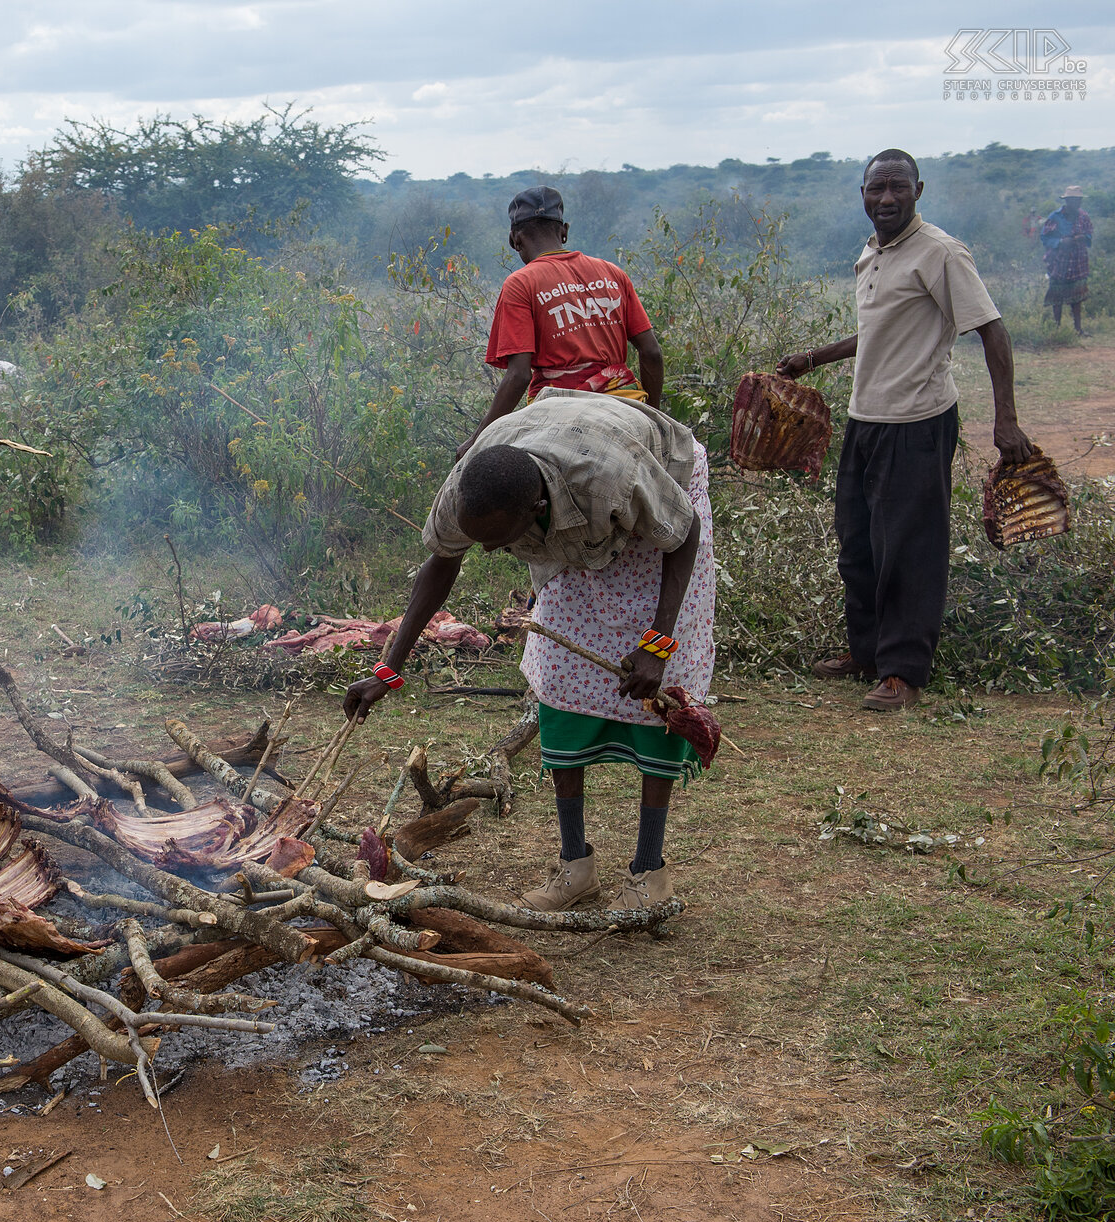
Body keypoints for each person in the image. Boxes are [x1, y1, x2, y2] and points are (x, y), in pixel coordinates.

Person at [344, 390, 714, 912]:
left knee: (657, 704)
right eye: (482, 541)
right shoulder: (469, 490)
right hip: (568, 509)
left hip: (655, 495)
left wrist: (657, 644)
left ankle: (649, 869)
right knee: (559, 682)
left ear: (537, 509)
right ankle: (575, 865)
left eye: (499, 540)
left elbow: (683, 533)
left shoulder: (612, 478)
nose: (492, 552)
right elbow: (441, 566)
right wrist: (388, 669)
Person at [778, 148, 1034, 711]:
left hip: (917, 422)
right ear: (862, 195)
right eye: (876, 189)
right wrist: (814, 357)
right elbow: (877, 332)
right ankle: (867, 654)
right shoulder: (872, 252)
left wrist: (1006, 419)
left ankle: (903, 672)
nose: (887, 198)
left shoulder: (940, 253)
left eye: (897, 188)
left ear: (919, 189)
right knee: (858, 545)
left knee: (910, 551)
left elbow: (993, 332)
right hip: (865, 419)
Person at [456, 186, 663, 459]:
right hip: (627, 406)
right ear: (564, 230)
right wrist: (654, 417)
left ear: (515, 240)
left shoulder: (521, 284)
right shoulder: (613, 273)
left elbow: (518, 375)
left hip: (556, 415)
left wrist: (475, 439)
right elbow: (651, 353)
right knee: (691, 472)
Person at [1041, 187, 1093, 335]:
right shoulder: (1055, 217)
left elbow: (1089, 235)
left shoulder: (1084, 216)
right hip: (1059, 262)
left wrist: (1083, 238)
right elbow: (1045, 237)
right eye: (1074, 200)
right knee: (1057, 296)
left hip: (1078, 261)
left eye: (1079, 200)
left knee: (1077, 298)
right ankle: (1057, 329)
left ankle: (1078, 329)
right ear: (1067, 201)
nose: (1077, 203)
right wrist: (1061, 242)